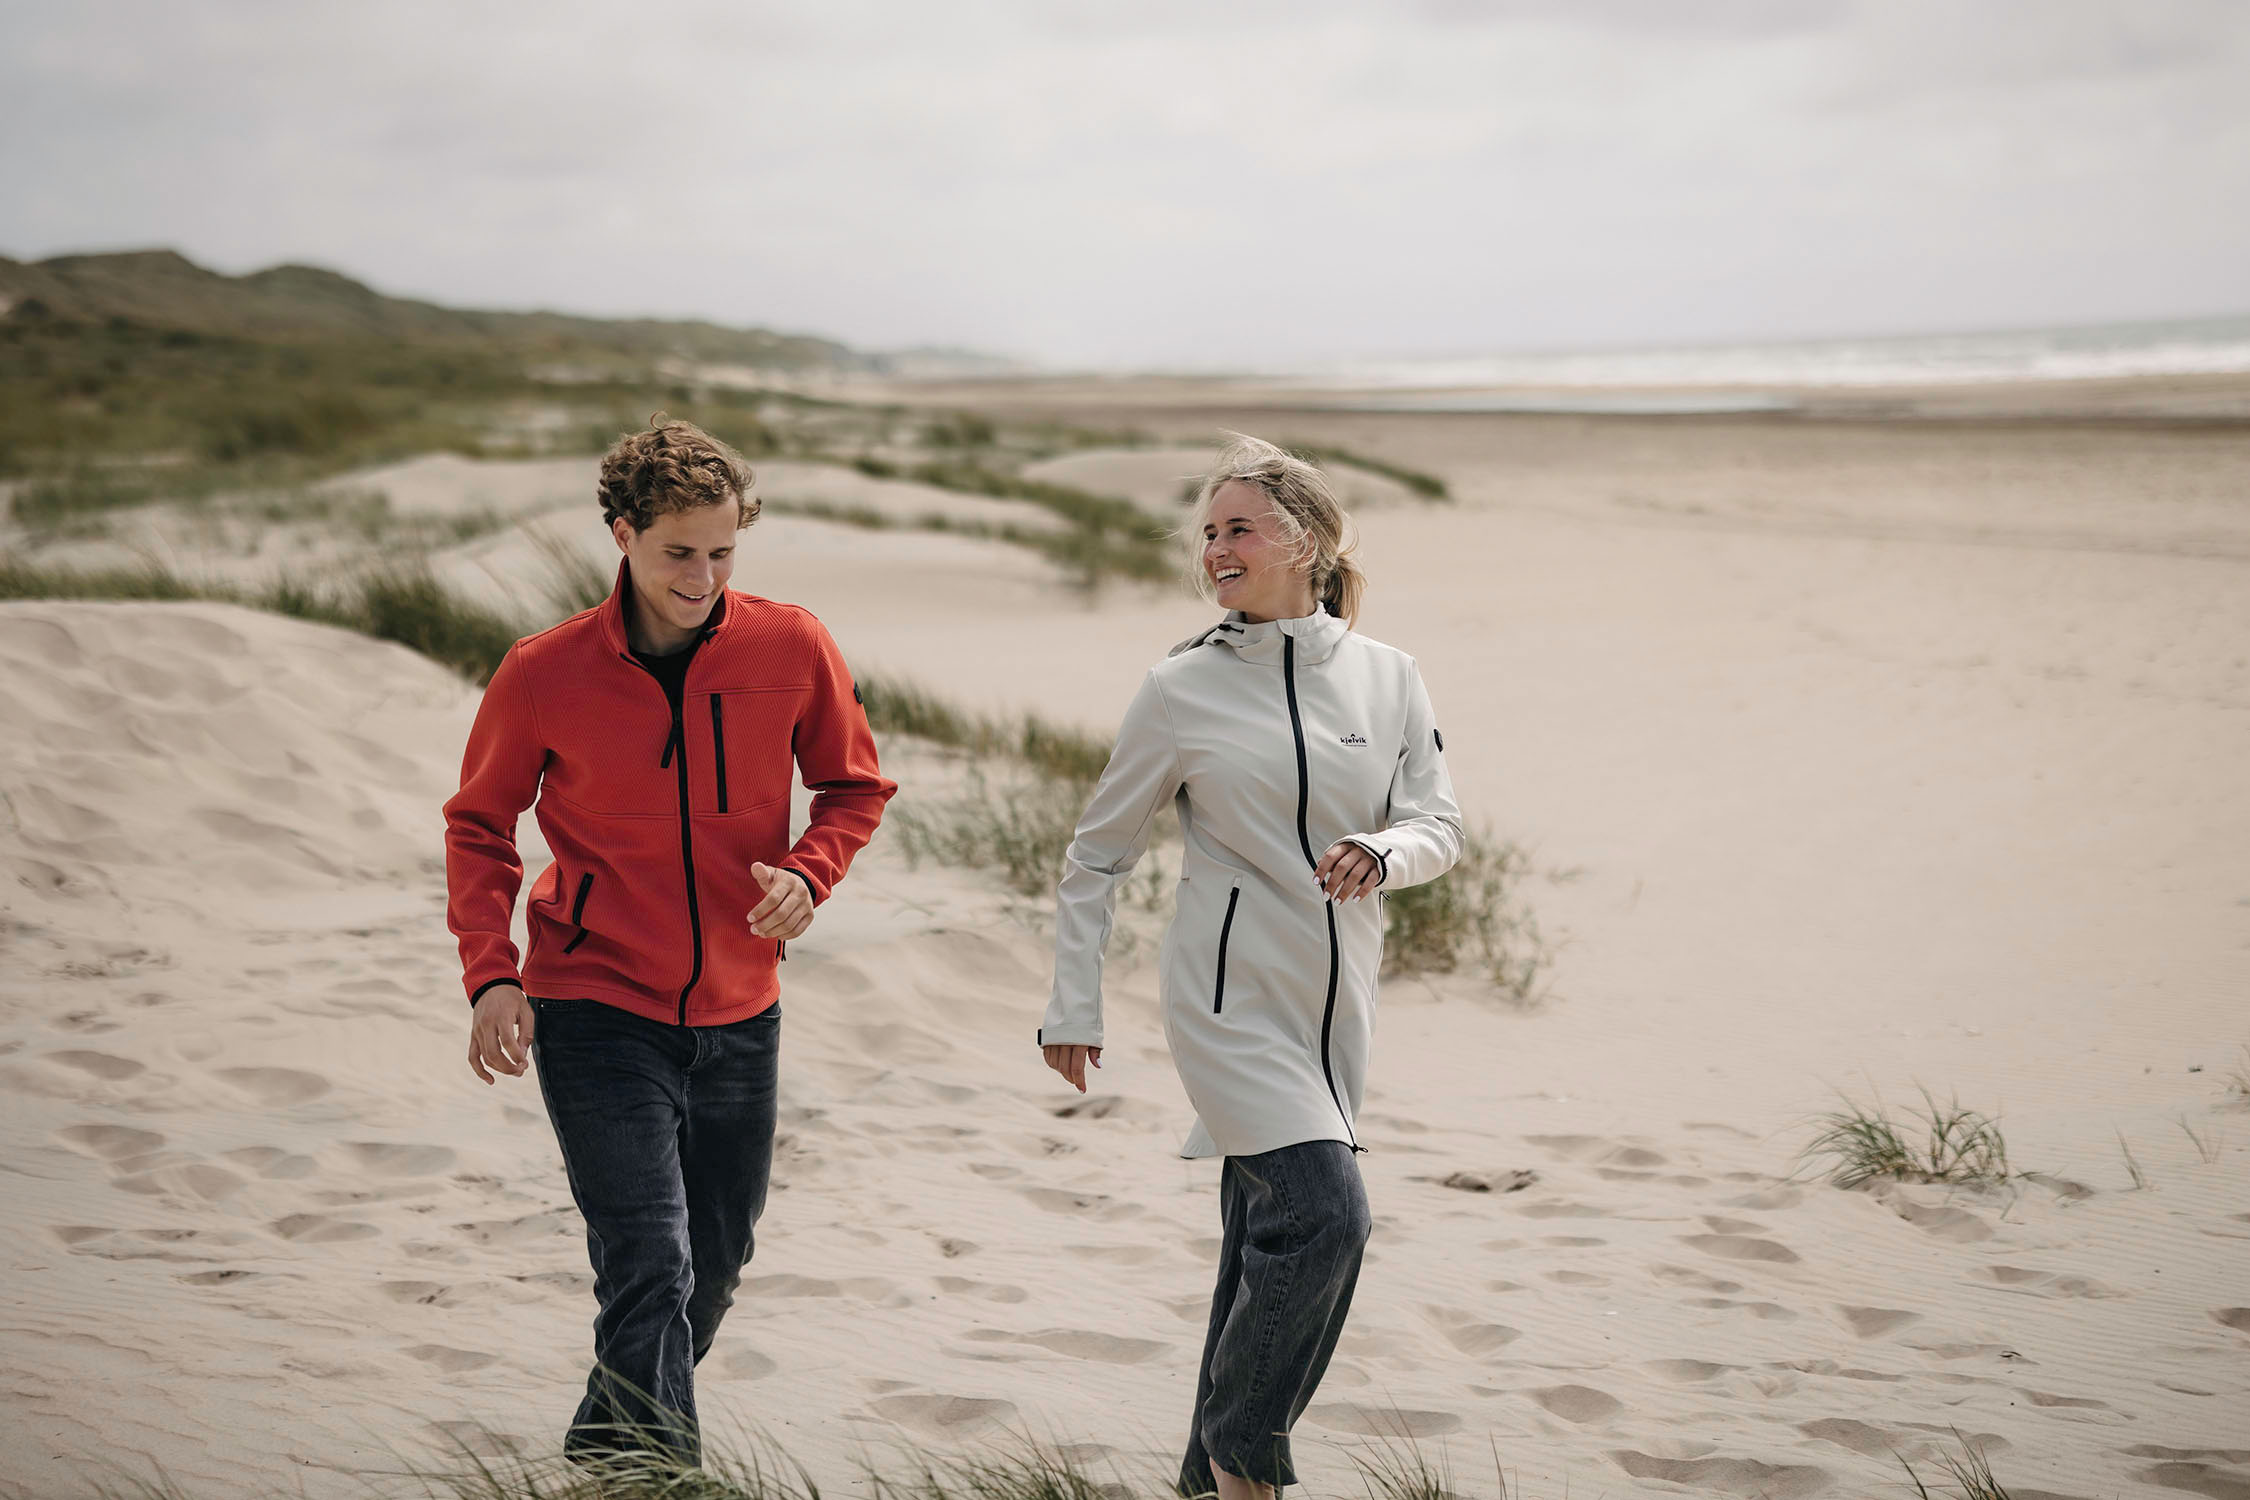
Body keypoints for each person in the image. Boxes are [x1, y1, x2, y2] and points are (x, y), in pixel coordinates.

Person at [443, 416, 895, 1467]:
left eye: (722, 552)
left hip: (742, 1012)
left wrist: (809, 873)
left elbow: (854, 786)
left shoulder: (791, 645)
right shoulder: (544, 671)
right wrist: (491, 973)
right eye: (678, 552)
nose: (702, 577)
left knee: (715, 1266)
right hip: (594, 1007)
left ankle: (605, 1451)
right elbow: (479, 825)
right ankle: (660, 1481)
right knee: (650, 1260)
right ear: (623, 535)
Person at [1041, 434, 1462, 1499]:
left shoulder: (1389, 676)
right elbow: (1097, 854)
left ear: (1305, 540)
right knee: (1327, 1216)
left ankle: (1204, 1478)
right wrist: (1072, 1003)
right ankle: (1244, 1461)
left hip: (1338, 1010)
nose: (1216, 551)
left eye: (1238, 529)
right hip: (1228, 1009)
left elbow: (1440, 825)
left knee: (1259, 1244)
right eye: (1209, 534)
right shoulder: (1180, 688)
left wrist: (1384, 852)